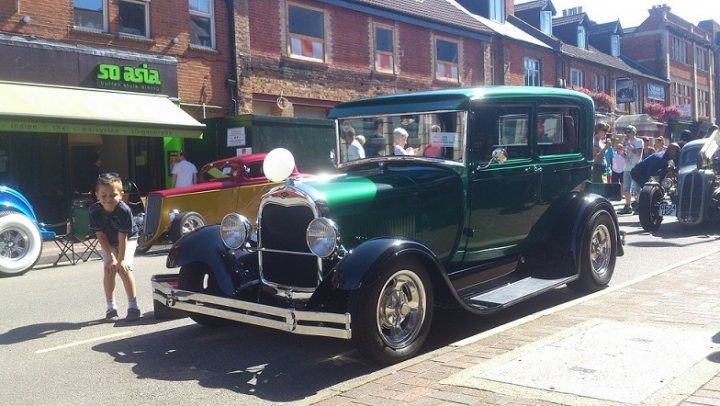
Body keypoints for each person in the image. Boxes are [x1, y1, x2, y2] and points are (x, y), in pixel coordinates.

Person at [89, 173, 141, 322]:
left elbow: (122, 236)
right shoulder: (94, 211)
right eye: (103, 195)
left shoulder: (124, 211)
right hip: (108, 240)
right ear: (97, 195)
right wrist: (111, 258)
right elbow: (100, 235)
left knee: (124, 269)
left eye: (113, 195)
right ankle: (111, 307)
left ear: (121, 195)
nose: (108, 199)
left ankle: (133, 306)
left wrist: (121, 259)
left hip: (128, 238)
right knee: (109, 268)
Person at [618, 125, 644, 215]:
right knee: (626, 188)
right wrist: (622, 153)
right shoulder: (625, 141)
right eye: (626, 132)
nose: (627, 134)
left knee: (637, 188)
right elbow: (625, 155)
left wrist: (630, 145)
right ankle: (627, 206)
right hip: (627, 167)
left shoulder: (639, 141)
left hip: (636, 167)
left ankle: (639, 205)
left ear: (633, 132)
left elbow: (638, 154)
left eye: (629, 132)